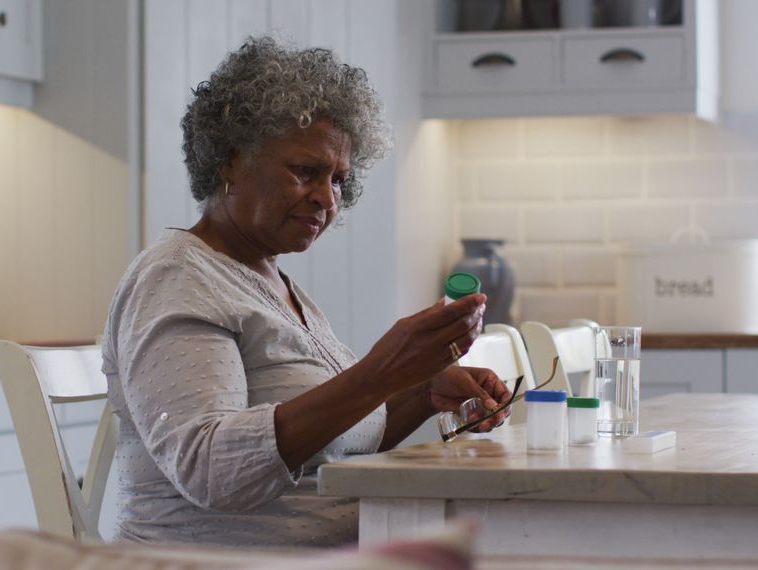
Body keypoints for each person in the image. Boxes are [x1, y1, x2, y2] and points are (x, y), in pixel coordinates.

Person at [101, 36, 510, 548]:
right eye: (305, 171)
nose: (327, 198)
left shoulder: (271, 283)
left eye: (339, 180)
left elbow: (336, 441)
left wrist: (422, 393)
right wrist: (380, 372)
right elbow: (208, 469)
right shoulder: (178, 277)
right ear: (230, 160)